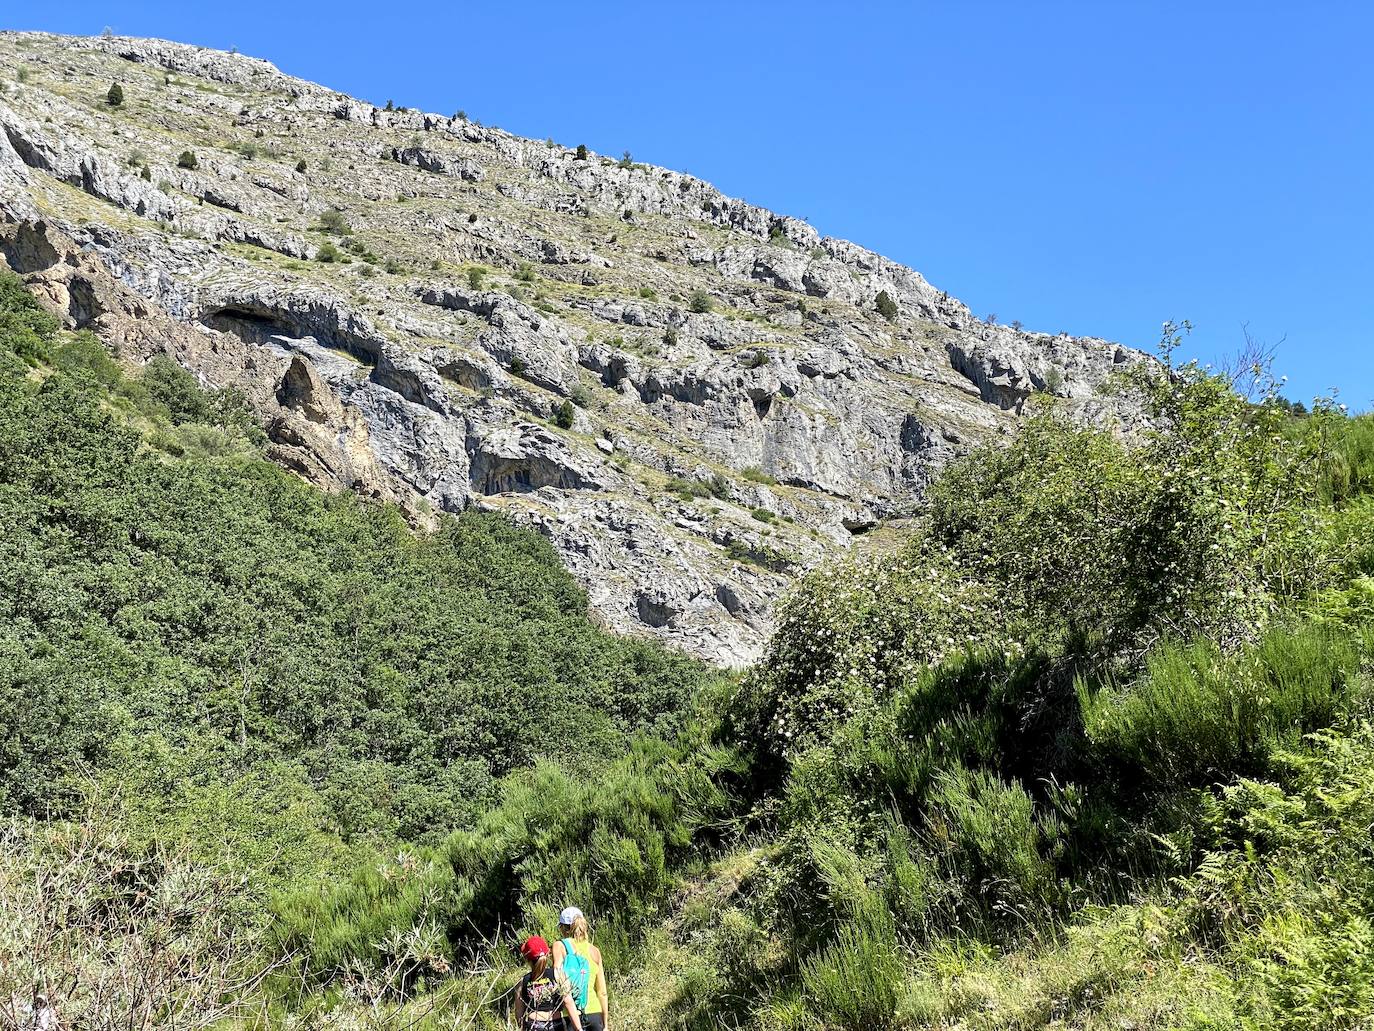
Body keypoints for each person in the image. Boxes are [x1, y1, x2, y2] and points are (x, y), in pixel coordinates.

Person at [552, 907, 609, 1031]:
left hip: (572, 1016)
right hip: (595, 1013)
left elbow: (559, 979)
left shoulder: (560, 946)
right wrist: (605, 1025)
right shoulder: (594, 951)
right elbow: (602, 992)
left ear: (562, 927)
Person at [514, 935, 583, 1031]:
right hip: (556, 1023)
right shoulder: (558, 975)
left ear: (527, 959)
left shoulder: (522, 982)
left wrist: (521, 1027)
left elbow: (519, 1012)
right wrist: (578, 1029)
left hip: (534, 1025)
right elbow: (568, 1002)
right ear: (547, 955)